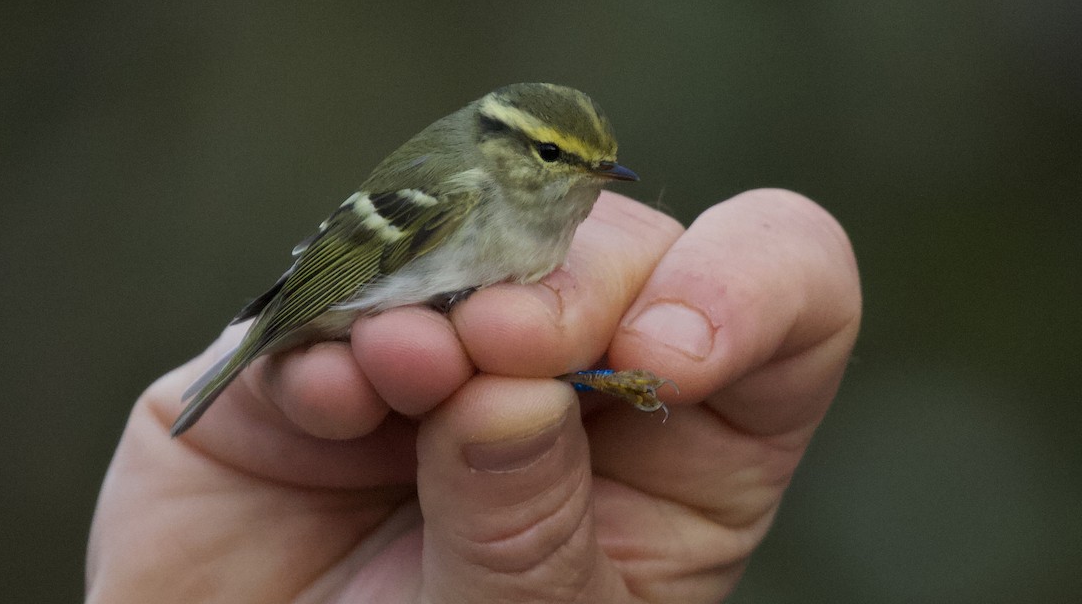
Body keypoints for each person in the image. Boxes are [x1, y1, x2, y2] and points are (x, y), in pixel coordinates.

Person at [86, 189, 861, 603]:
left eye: (597, 166)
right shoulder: (463, 187)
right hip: (347, 313)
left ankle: (593, 376)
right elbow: (344, 255)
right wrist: (277, 319)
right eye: (558, 158)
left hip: (420, 392)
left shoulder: (536, 221)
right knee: (477, 352)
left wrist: (608, 372)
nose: (586, 180)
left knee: (497, 361)